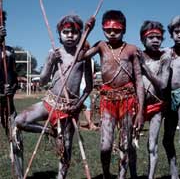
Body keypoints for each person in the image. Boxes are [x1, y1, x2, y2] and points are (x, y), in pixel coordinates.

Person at [15, 15, 93, 179]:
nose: (70, 35)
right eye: (66, 32)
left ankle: (61, 177)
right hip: (50, 101)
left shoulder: (84, 56)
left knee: (65, 147)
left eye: (74, 32)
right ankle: (48, 130)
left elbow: (89, 87)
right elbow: (43, 80)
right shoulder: (54, 53)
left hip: (69, 108)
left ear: (80, 34)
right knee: (20, 120)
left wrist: (78, 105)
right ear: (59, 34)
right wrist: (50, 62)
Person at [82, 10, 144, 179]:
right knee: (105, 146)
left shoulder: (131, 50)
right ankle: (106, 174)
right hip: (108, 101)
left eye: (116, 30)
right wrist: (86, 30)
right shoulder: (101, 46)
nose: (111, 33)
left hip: (128, 101)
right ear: (102, 29)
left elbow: (139, 80)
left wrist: (140, 112)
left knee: (125, 143)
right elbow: (80, 56)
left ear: (123, 29)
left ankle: (123, 175)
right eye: (107, 29)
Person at [139, 20, 171, 179]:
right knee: (128, 144)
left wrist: (146, 69)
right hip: (137, 107)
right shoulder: (137, 55)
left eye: (159, 37)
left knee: (152, 145)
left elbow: (163, 85)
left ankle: (150, 177)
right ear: (143, 39)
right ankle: (128, 173)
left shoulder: (164, 58)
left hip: (156, 106)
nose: (155, 40)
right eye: (151, 37)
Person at [0, 11, 23, 179]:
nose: (2, 28)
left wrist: (12, 88)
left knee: (16, 139)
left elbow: (14, 76)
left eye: (2, 24)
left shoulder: (9, 52)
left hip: (8, 104)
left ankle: (19, 175)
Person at [162, 15, 180, 179]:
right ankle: (174, 172)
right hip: (168, 97)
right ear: (171, 33)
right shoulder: (167, 52)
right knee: (167, 139)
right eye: (177, 31)